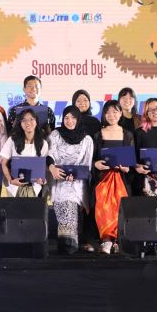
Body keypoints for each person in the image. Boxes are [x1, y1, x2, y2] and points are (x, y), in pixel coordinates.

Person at [47, 105, 94, 254]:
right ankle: (66, 244)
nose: (69, 121)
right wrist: (52, 168)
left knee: (76, 211)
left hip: (77, 184)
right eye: (66, 118)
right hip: (59, 181)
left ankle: (73, 244)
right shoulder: (55, 134)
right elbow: (49, 154)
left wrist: (77, 175)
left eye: (73, 117)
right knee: (64, 209)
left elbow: (87, 164)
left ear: (78, 119)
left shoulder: (87, 139)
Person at [92, 100, 133, 254]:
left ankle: (118, 241)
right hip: (102, 179)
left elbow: (131, 161)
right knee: (103, 209)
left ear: (120, 113)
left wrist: (127, 168)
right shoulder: (98, 134)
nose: (111, 115)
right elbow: (92, 158)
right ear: (104, 114)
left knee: (119, 209)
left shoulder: (127, 134)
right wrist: (96, 164)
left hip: (121, 179)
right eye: (108, 112)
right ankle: (106, 240)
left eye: (115, 111)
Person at [1, 109, 48, 197]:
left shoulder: (43, 143)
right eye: (24, 120)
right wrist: (10, 180)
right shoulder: (12, 140)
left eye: (31, 119)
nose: (28, 122)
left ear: (36, 122)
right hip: (14, 187)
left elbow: (44, 166)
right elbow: (4, 163)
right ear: (20, 123)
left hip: (33, 187)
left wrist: (43, 179)